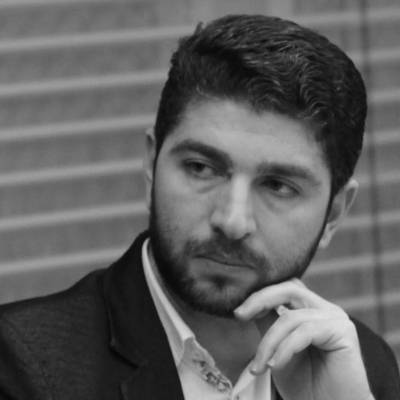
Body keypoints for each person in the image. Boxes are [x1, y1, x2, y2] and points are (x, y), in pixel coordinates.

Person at [0, 14, 398, 400]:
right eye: (201, 168)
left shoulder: (357, 367)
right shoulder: (22, 366)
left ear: (333, 215)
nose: (232, 221)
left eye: (278, 186)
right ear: (152, 166)